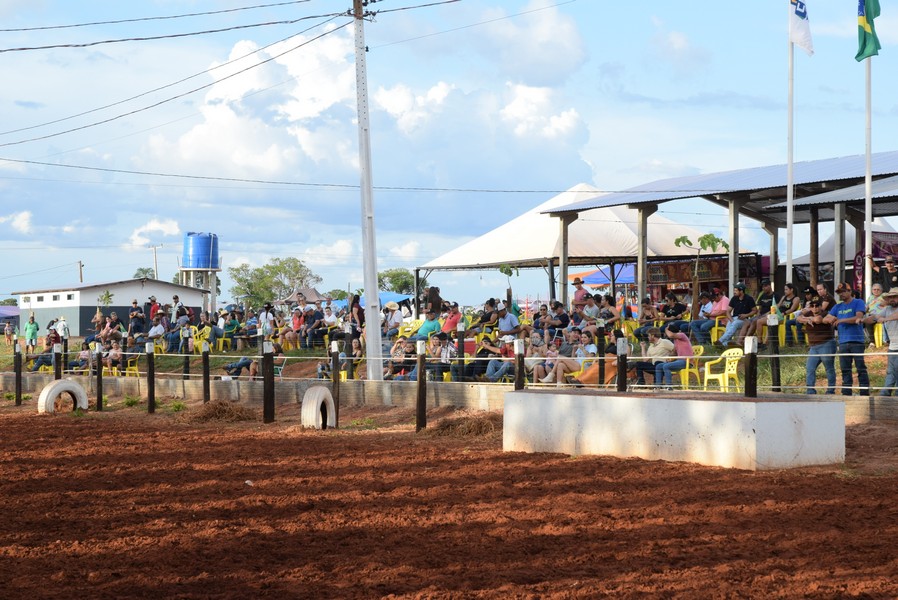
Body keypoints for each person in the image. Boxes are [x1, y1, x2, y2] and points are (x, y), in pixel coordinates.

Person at [824, 282, 869, 396]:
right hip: (843, 342)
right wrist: (830, 318)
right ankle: (846, 392)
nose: (841, 294)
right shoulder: (837, 306)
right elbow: (826, 318)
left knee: (860, 368)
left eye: (844, 291)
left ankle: (864, 392)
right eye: (839, 292)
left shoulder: (858, 302)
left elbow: (858, 317)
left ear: (850, 291)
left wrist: (841, 320)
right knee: (845, 369)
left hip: (857, 341)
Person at [796, 297, 836, 394]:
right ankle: (810, 390)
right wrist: (807, 318)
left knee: (829, 368)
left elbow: (818, 319)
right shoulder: (808, 313)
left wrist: (808, 319)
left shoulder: (825, 313)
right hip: (813, 346)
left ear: (820, 306)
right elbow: (798, 318)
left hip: (826, 344)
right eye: (812, 306)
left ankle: (831, 390)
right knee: (810, 368)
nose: (814, 308)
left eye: (817, 305)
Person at [867, 289, 898, 396]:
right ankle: (885, 394)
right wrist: (862, 319)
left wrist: (885, 319)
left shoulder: (890, 312)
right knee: (891, 371)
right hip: (893, 346)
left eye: (895, 297)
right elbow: (875, 316)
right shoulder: (887, 308)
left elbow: (896, 315)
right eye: (890, 297)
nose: (892, 299)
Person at [739, 279, 778, 344]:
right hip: (761, 315)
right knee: (747, 322)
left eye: (765, 286)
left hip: (770, 315)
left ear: (770, 286)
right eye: (762, 287)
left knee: (755, 321)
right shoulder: (762, 296)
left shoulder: (776, 295)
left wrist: (767, 313)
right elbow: (760, 308)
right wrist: (758, 314)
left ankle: (752, 340)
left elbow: (777, 307)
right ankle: (740, 341)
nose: (763, 288)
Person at [658, 324, 693, 389]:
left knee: (666, 366)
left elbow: (670, 335)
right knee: (659, 366)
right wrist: (669, 358)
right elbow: (674, 352)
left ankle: (669, 386)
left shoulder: (682, 335)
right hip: (679, 361)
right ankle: (658, 386)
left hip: (686, 361)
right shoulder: (675, 340)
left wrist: (666, 330)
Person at [865, 283, 888, 348]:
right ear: (872, 290)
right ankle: (872, 342)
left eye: (878, 289)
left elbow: (889, 304)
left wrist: (885, 303)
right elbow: (866, 307)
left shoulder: (884, 295)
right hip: (872, 316)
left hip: (882, 315)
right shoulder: (870, 297)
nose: (876, 291)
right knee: (866, 321)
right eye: (874, 289)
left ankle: (886, 341)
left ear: (881, 290)